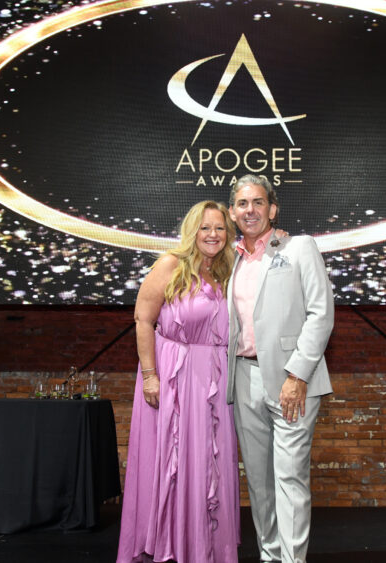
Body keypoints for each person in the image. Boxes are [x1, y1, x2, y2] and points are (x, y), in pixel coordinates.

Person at [117, 201, 240, 563]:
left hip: (216, 380)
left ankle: (205, 546)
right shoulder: (171, 264)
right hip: (174, 376)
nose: (213, 234)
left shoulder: (228, 271)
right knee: (171, 460)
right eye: (205, 227)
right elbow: (143, 319)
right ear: (192, 230)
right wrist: (150, 376)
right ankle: (167, 542)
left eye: (220, 228)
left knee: (210, 462)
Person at [226, 174, 334, 563]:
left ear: (272, 209)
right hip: (244, 378)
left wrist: (298, 375)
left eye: (258, 202)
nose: (250, 210)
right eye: (242, 203)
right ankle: (270, 555)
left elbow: (321, 314)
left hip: (292, 380)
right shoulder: (230, 258)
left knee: (290, 477)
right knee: (259, 481)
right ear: (233, 212)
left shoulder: (300, 247)